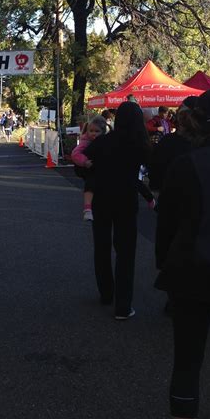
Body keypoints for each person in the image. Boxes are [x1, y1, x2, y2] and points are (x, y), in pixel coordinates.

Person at [155, 90, 210, 419]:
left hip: (190, 270)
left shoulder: (184, 164)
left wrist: (163, 262)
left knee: (188, 360)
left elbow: (165, 224)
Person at [84, 101, 151, 319]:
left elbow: (81, 163)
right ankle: (123, 305)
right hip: (126, 200)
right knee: (126, 252)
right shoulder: (139, 144)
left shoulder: (102, 142)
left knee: (101, 247)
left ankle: (106, 293)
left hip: (101, 199)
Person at [71, 115, 108, 221]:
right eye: (91, 131)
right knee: (90, 184)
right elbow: (75, 154)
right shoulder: (85, 142)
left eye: (97, 131)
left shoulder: (101, 141)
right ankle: (87, 209)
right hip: (86, 167)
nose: (93, 134)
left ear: (103, 132)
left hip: (95, 168)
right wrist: (85, 161)